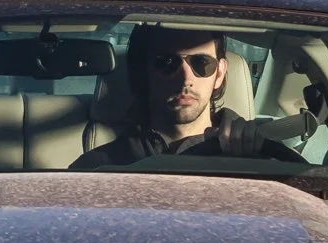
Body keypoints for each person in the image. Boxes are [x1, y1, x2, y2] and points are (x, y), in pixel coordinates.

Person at [71, 25, 294, 167]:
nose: (185, 78)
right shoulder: (99, 169)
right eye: (166, 62)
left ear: (219, 74)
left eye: (201, 63)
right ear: (142, 73)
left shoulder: (264, 160)